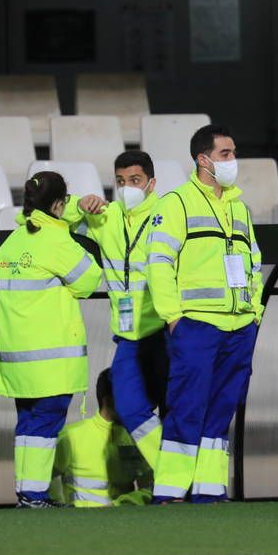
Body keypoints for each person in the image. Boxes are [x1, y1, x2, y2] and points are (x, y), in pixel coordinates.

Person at [145, 124, 263, 503]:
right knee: (187, 408)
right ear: (203, 159)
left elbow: (254, 265)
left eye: (232, 153)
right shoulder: (175, 203)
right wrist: (173, 317)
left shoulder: (240, 207)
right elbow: (159, 262)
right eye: (226, 154)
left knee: (220, 412)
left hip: (239, 326)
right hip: (196, 325)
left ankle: (210, 493)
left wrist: (254, 312)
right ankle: (170, 493)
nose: (233, 160)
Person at [0, 171, 103, 508]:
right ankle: (34, 495)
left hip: (16, 356)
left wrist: (71, 213)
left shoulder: (13, 241)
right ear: (58, 204)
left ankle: (26, 493)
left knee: (28, 424)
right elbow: (87, 281)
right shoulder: (55, 241)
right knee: (45, 423)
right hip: (49, 359)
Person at [64, 150, 168, 470]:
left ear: (152, 183)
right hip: (127, 334)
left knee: (176, 408)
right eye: (120, 181)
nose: (127, 188)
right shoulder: (106, 217)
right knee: (128, 405)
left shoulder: (168, 213)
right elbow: (55, 211)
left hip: (166, 329)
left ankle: (180, 483)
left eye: (134, 180)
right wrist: (79, 204)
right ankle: (170, 470)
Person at [51, 368, 154, 507]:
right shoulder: (72, 436)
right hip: (78, 524)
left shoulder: (137, 438)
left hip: (124, 521)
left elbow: (150, 488)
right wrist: (57, 506)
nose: (134, 403)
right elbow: (44, 478)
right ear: (109, 399)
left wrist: (120, 504)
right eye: (128, 397)